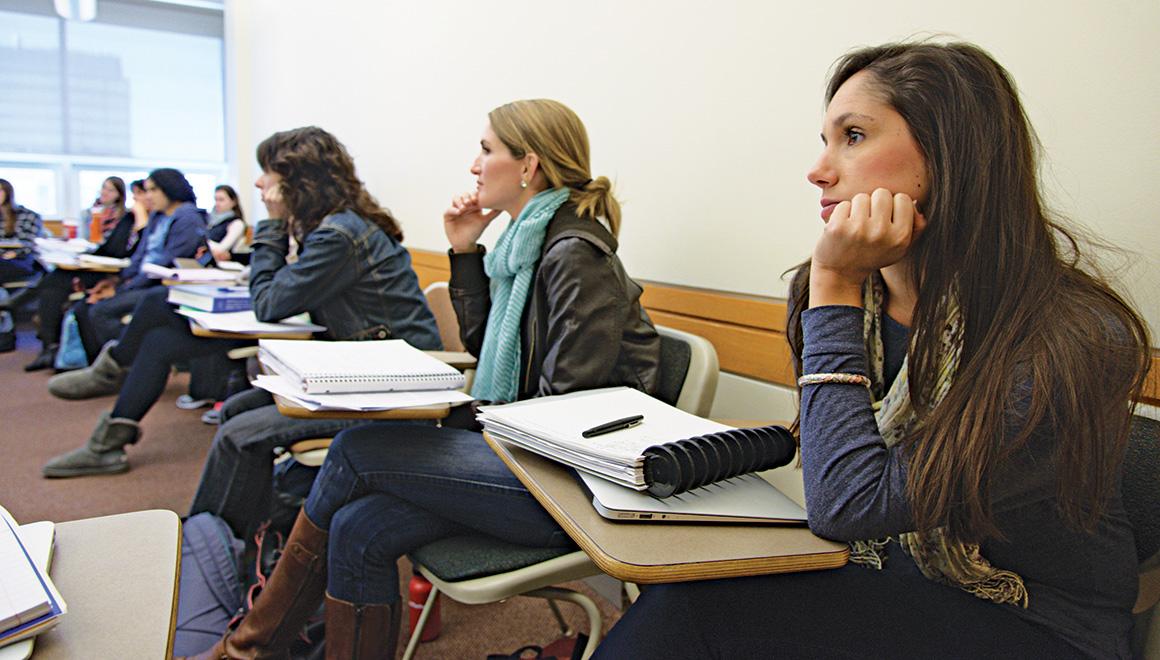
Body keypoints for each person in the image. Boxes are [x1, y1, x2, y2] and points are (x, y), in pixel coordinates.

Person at [594, 42, 1151, 659]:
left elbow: (849, 505)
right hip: (891, 578)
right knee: (689, 586)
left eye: (853, 136)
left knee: (701, 610)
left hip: (1035, 620)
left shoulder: (1070, 338)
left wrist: (835, 288)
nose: (819, 169)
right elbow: (828, 451)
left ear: (948, 156)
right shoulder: (834, 293)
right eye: (827, 139)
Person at [186, 99, 661, 659]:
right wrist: (464, 253)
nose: (474, 165)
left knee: (356, 450)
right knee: (358, 528)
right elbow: (497, 356)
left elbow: (563, 410)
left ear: (528, 166)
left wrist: (454, 424)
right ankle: (265, 646)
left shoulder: (572, 252)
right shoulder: (526, 249)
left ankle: (246, 649)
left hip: (571, 483)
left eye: (486, 150)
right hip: (528, 453)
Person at [42, 126, 443, 479]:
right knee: (161, 335)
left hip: (384, 381)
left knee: (233, 415)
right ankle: (108, 438)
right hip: (350, 362)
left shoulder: (339, 234)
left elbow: (269, 302)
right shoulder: (333, 226)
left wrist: (269, 223)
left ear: (298, 181)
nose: (257, 183)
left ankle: (111, 388)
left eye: (268, 172)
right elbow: (281, 293)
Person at [69, 168, 208, 363]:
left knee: (100, 312)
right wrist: (116, 281)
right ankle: (99, 363)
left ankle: (121, 363)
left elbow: (166, 262)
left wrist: (122, 289)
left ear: (169, 189)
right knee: (83, 307)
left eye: (153, 190)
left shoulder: (188, 217)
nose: (148, 196)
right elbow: (140, 256)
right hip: (140, 282)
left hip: (159, 287)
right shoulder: (157, 216)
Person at [19, 179, 147, 372]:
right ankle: (50, 346)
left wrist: (141, 224)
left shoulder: (146, 220)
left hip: (119, 273)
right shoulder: (111, 215)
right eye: (135, 195)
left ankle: (51, 345)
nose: (137, 199)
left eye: (140, 194)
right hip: (103, 266)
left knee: (61, 288)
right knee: (53, 282)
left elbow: (129, 254)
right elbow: (107, 247)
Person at [0, 178, 44, 283]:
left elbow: (29, 244)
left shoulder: (28, 215)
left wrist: (16, 253)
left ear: (7, 193)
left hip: (20, 260)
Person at [206, 184, 247, 262]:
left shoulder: (237, 223)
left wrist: (202, 240)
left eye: (221, 200)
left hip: (222, 264)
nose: (217, 203)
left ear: (233, 202)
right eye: (215, 199)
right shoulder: (210, 220)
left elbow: (222, 249)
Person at [80, 176, 128, 242]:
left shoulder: (124, 216)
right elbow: (84, 239)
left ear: (119, 195)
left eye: (111, 190)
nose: (104, 192)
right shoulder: (87, 213)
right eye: (104, 187)